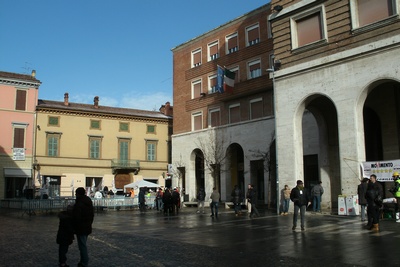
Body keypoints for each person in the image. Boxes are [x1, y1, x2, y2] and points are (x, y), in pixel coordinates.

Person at [72, 187, 94, 267]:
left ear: (78, 194)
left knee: (82, 246)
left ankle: (84, 262)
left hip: (81, 227)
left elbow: (77, 216)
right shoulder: (88, 200)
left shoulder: (79, 203)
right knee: (83, 244)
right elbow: (92, 214)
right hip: (87, 226)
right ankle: (83, 261)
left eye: (76, 193)